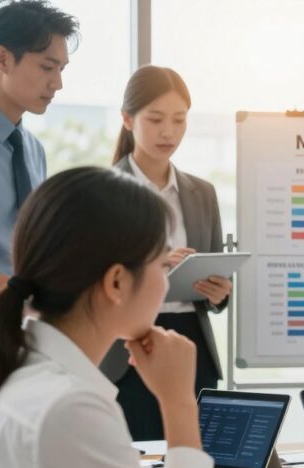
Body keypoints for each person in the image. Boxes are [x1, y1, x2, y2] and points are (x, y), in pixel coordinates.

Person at [0, 167, 288, 468]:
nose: (167, 284)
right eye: (160, 263)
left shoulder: (17, 367)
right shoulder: (67, 408)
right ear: (116, 281)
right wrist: (178, 400)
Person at [99, 65, 231, 440]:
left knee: (201, 465)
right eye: (155, 119)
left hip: (192, 345)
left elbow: (215, 268)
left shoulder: (202, 192)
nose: (168, 132)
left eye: (179, 120)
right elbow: (90, 276)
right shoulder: (104, 191)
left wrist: (220, 294)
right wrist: (156, 264)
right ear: (127, 119)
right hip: (128, 347)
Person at [0, 0, 77, 330]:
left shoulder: (33, 150)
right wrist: (15, 290)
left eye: (61, 70)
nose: (57, 83)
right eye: (47, 67)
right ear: (2, 59)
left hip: (18, 322)